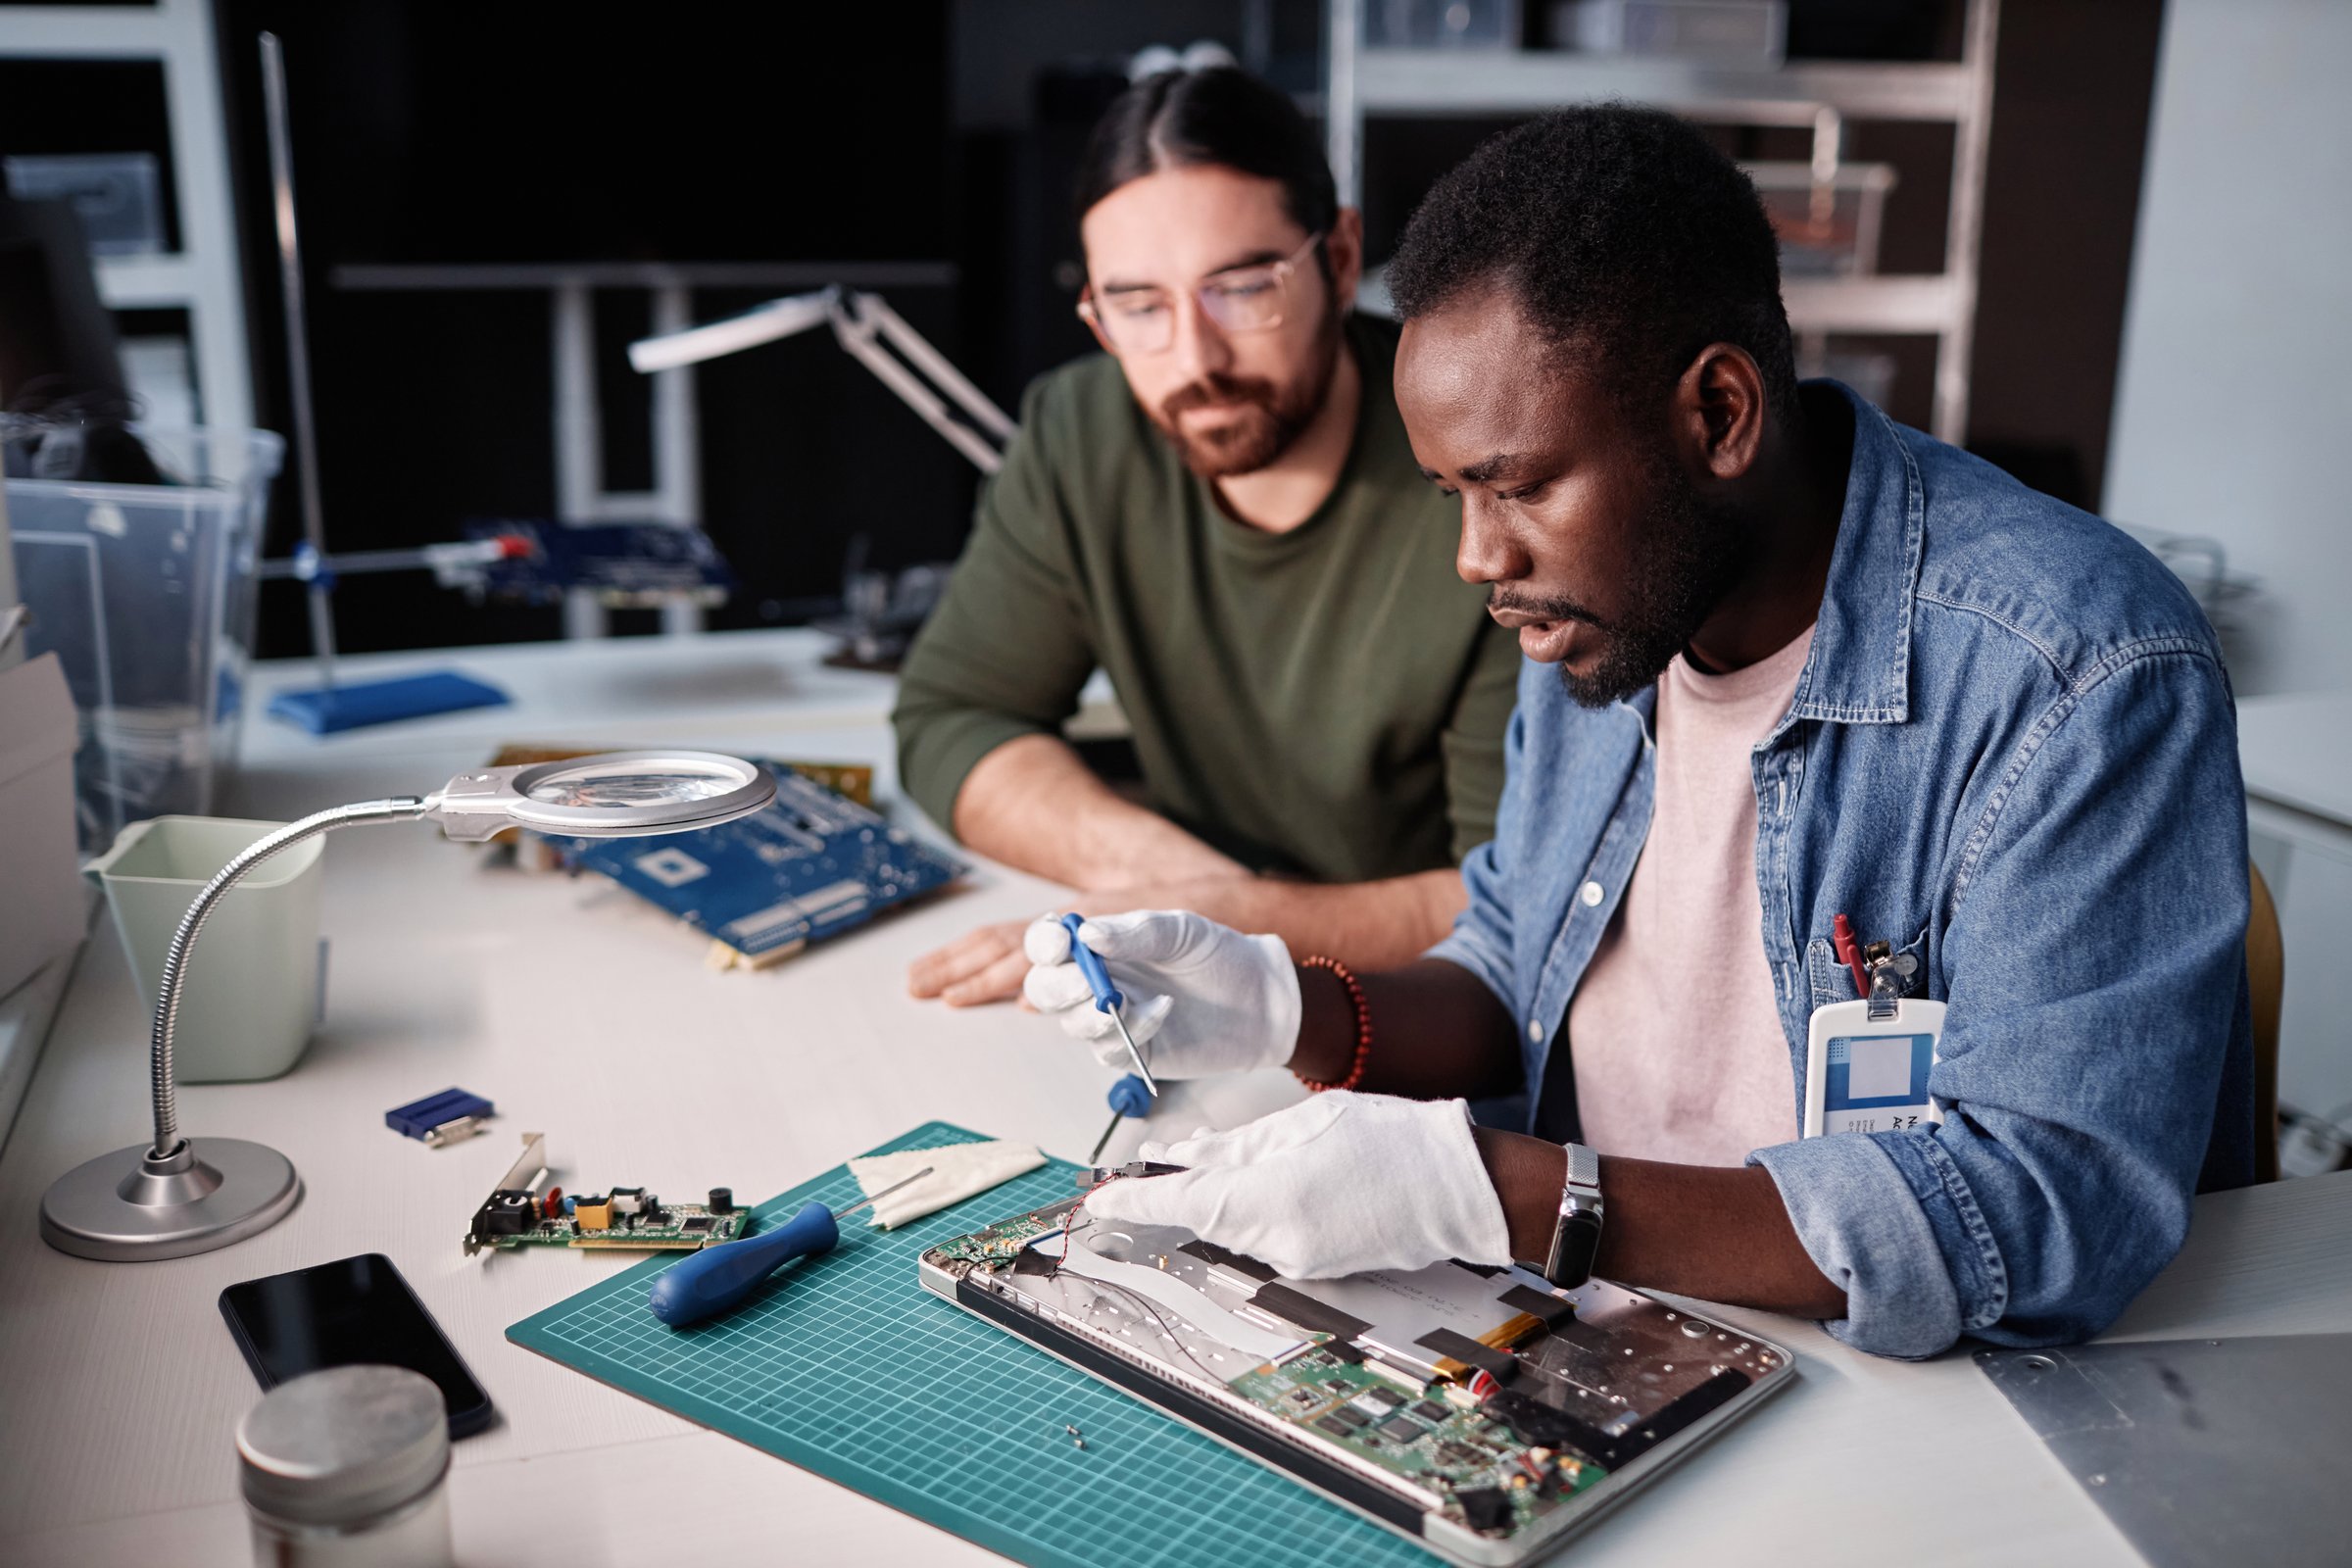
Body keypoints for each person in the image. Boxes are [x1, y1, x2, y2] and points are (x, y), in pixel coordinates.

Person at [1020, 106, 2254, 1358]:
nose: (1476, 558)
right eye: (1453, 493)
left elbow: (2046, 1213)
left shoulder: (2074, 672)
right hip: (1606, 1315)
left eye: (1520, 484)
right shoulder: (1606, 612)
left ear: (1718, 414)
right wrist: (1293, 1007)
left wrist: (1495, 1191)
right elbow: (1514, 965)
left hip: (1912, 1387)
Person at [894, 66, 1520, 1007]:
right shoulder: (1078, 432)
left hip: (1432, 1025)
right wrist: (1180, 894)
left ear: (1342, 259)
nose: (1195, 360)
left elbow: (1515, 892)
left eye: (1240, 288)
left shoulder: (1486, 462)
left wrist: (1216, 919)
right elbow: (951, 717)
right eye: (1139, 307)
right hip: (1195, 1002)